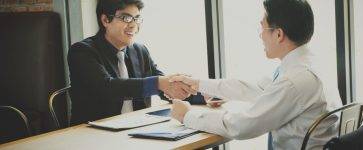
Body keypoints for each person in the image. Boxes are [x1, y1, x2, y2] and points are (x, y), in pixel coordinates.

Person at [170, 0, 342, 149]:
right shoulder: (306, 65)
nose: (261, 36)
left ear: (279, 34)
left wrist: (187, 115)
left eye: (263, 28)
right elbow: (254, 88)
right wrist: (197, 84)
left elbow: (242, 126)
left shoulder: (295, 80)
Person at [68, 0, 204, 125]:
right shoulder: (82, 51)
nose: (133, 25)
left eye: (137, 18)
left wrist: (203, 95)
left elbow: (166, 87)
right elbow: (107, 88)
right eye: (126, 18)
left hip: (137, 129)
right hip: (93, 133)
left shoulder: (139, 50)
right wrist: (158, 82)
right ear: (105, 20)